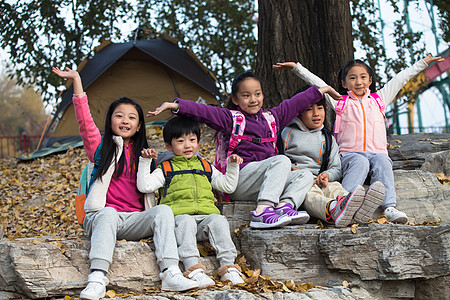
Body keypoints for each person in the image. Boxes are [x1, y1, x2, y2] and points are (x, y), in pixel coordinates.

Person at [52, 67, 198, 300]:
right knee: (109, 213)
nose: (125, 120)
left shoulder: (146, 154)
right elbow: (84, 120)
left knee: (163, 211)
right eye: (119, 115)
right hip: (101, 217)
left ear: (139, 126)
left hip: (134, 219)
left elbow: (181, 153)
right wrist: (77, 81)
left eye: (132, 117)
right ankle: (97, 277)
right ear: (110, 120)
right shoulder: (99, 148)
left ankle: (170, 271)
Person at [147, 71, 342, 229]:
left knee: (305, 175)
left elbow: (295, 103)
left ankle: (284, 207)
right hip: (239, 180)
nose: (253, 100)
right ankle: (263, 211)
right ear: (236, 98)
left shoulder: (272, 118)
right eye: (246, 95)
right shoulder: (231, 119)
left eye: (257, 94)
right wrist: (175, 105)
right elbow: (204, 112)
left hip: (263, 180)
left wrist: (322, 89)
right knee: (283, 160)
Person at [273, 54, 445, 223]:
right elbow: (319, 85)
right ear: (344, 83)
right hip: (350, 154)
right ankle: (345, 201)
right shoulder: (340, 102)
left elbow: (400, 79)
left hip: (377, 152)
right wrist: (297, 68)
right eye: (352, 78)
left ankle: (389, 207)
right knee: (360, 162)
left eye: (363, 77)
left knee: (384, 161)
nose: (358, 82)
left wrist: (423, 63)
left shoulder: (379, 100)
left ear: (370, 80)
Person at [136, 116, 245, 288]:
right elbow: (145, 186)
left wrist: (232, 166)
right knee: (186, 221)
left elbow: (227, 186)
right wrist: (145, 161)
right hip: (179, 220)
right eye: (180, 141)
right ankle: (193, 269)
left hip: (204, 220)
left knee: (219, 220)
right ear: (169, 146)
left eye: (192, 140)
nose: (187, 145)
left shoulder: (205, 166)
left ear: (198, 142)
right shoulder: (166, 168)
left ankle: (229, 267)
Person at [280, 87, 385, 227]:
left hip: (320, 179)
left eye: (320, 108)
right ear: (299, 112)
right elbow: (276, 158)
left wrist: (327, 175)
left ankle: (356, 208)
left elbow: (336, 167)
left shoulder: (328, 138)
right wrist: (288, 169)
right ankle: (335, 210)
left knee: (336, 187)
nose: (316, 113)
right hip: (298, 182)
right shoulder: (286, 133)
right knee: (311, 196)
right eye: (309, 109)